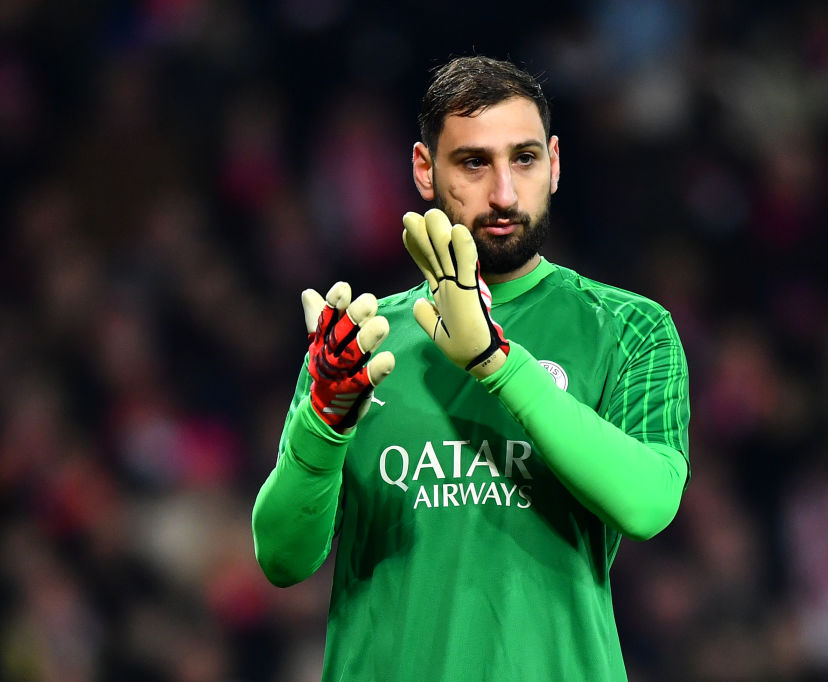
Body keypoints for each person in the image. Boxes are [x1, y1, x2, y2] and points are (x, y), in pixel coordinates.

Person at [252, 55, 691, 680]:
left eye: (525, 158)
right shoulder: (356, 346)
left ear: (556, 163)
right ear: (425, 170)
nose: (505, 192)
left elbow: (648, 505)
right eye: (474, 162)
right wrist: (321, 421)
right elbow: (282, 558)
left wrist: (496, 363)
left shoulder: (630, 328)